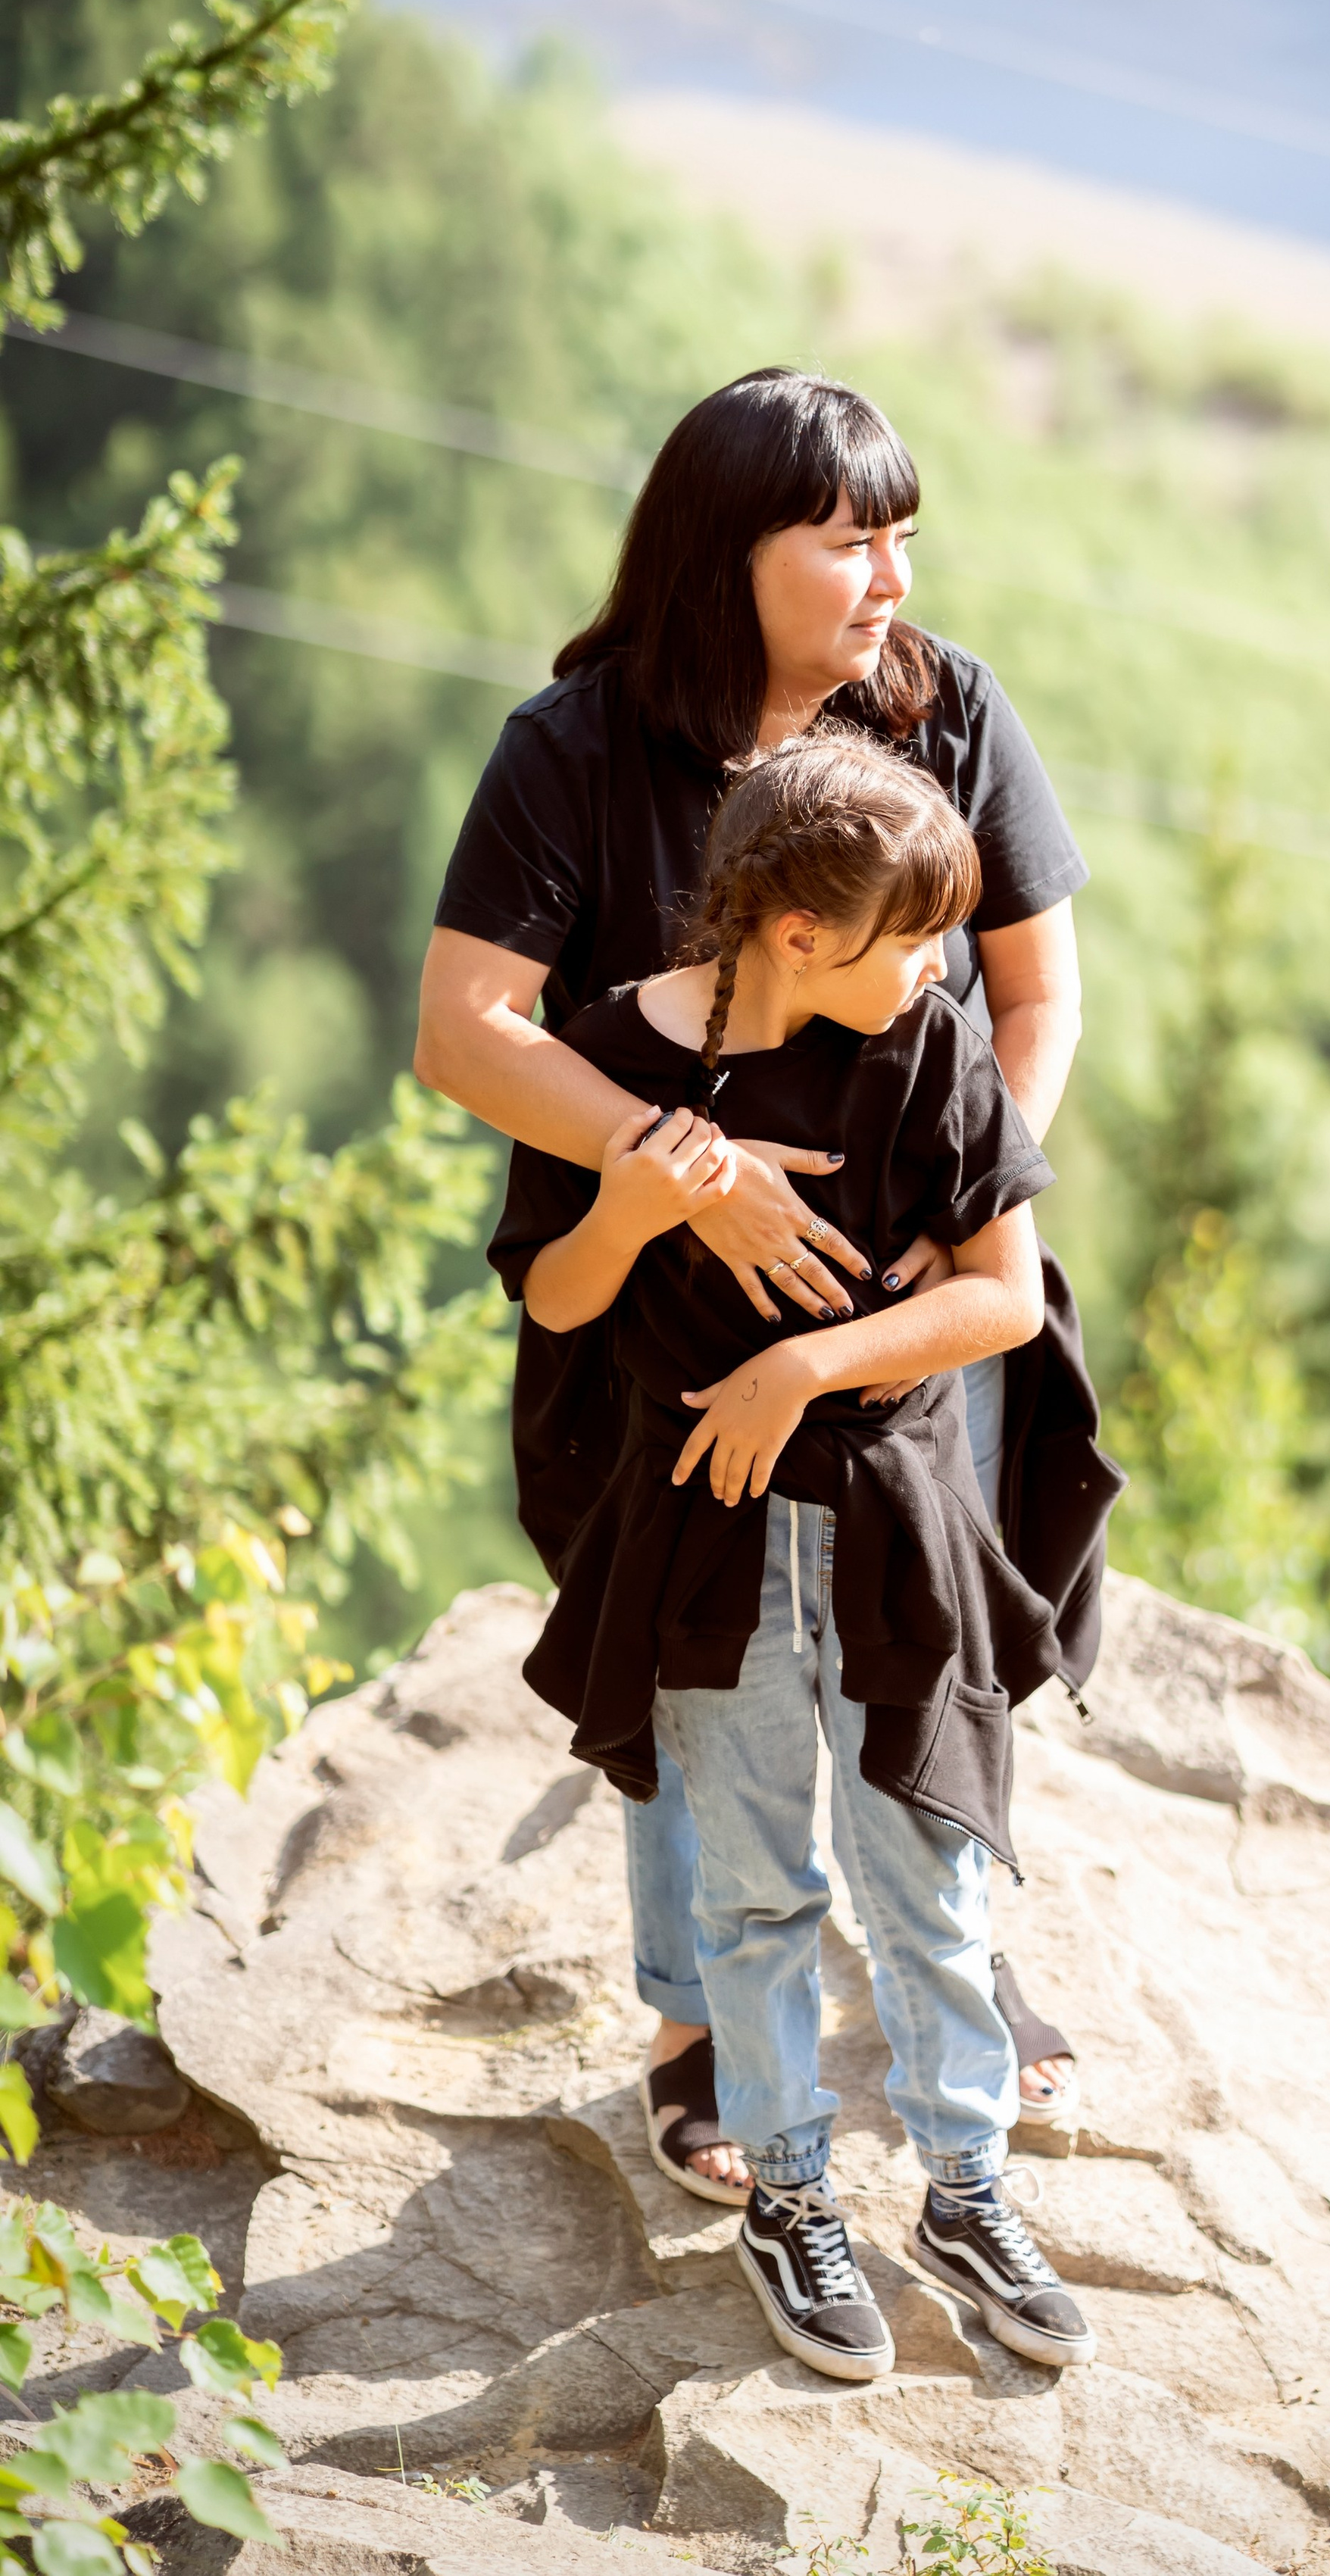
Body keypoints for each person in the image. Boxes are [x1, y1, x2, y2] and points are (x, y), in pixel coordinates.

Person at [417, 369, 1097, 2194]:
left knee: (929, 1619)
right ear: (732, 557)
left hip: (909, 1291)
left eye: (903, 537)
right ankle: (700, 2017)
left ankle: (949, 1948)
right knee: (685, 1648)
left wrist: (959, 1175)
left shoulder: (947, 710)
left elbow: (1034, 996)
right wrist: (677, 1178)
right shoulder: (574, 748)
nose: (891, 577)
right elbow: (463, 1032)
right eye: (851, 540)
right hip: (653, 1309)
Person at [489, 735, 1103, 2383]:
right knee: (751, 1884)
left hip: (900, 1529)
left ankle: (963, 2187)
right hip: (705, 1550)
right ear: (796, 935)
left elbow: (1003, 1295)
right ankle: (789, 2191)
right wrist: (637, 1200)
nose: (933, 974)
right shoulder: (615, 1052)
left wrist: (801, 1369)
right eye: (910, 941)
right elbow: (553, 1296)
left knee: (932, 1876)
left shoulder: (928, 1043)